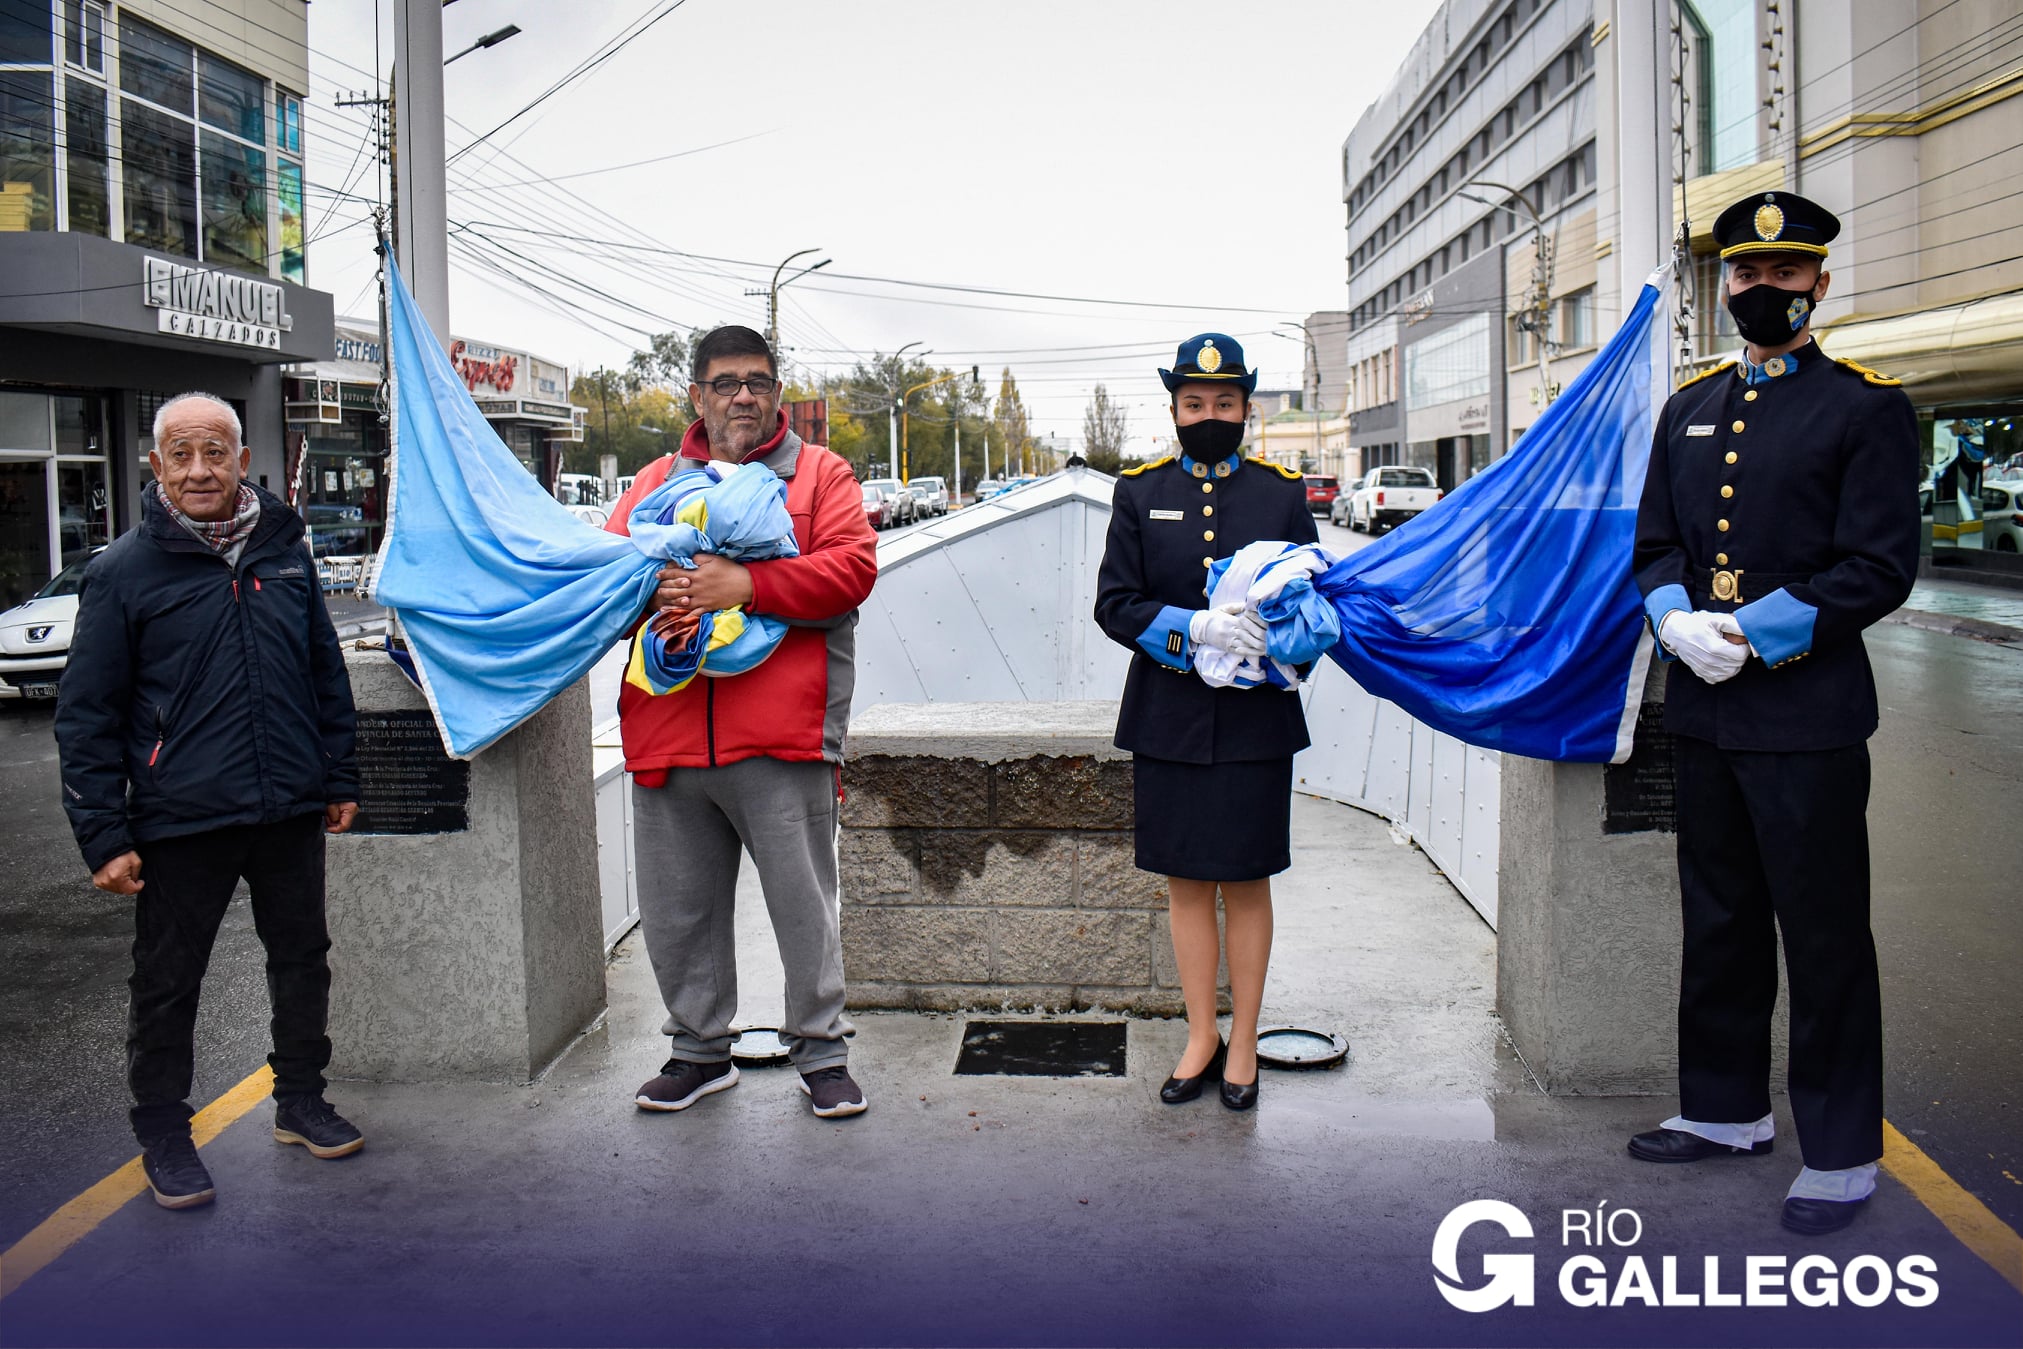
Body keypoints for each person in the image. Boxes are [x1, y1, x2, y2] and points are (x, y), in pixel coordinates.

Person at [1630, 192, 1919, 1234]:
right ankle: (1722, 1110)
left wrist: (1753, 629)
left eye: (1782, 273)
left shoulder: (1864, 407)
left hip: (1807, 716)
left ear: (1817, 285)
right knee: (1717, 918)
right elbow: (1656, 544)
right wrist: (1673, 619)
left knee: (1825, 931)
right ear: (1721, 286)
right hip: (1705, 714)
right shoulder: (1689, 408)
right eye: (1744, 276)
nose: (1760, 289)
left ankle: (1841, 1151)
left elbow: (1879, 566)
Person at [55, 392, 363, 1211]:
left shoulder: (285, 552)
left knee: (302, 959)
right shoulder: (121, 572)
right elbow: (86, 714)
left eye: (215, 453)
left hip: (288, 804)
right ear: (156, 465)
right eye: (182, 455)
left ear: (240, 460)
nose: (200, 470)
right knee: (167, 983)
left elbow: (323, 673)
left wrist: (339, 776)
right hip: (179, 817)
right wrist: (103, 834)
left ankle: (300, 1099)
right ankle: (163, 1133)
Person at [603, 326, 879, 1119]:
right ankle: (697, 1051)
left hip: (784, 737)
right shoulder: (657, 480)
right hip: (669, 734)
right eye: (725, 383)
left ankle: (821, 1052)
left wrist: (744, 584)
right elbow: (606, 574)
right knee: (677, 909)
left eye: (757, 382)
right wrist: (652, 586)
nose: (743, 397)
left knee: (803, 909)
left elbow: (851, 569)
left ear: (777, 394)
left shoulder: (819, 473)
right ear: (696, 395)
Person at [1093, 334, 1317, 1111]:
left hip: (1256, 718)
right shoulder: (1138, 491)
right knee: (1186, 882)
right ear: (1174, 411)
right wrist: (1195, 629)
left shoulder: (1280, 493)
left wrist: (1278, 645)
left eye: (1224, 403)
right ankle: (1200, 1035)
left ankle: (1245, 1040)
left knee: (1247, 880)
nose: (1210, 415)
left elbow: (1320, 610)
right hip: (1170, 715)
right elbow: (1114, 604)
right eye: (1195, 404)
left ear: (1247, 408)